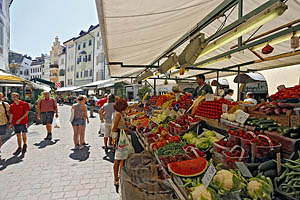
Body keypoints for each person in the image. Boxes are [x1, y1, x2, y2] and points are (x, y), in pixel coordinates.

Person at [112, 99, 129, 193]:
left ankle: (119, 174)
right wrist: (118, 136)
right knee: (117, 159)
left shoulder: (117, 113)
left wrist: (125, 129)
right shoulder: (118, 115)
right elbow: (114, 128)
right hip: (119, 139)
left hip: (120, 137)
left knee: (122, 157)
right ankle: (116, 179)